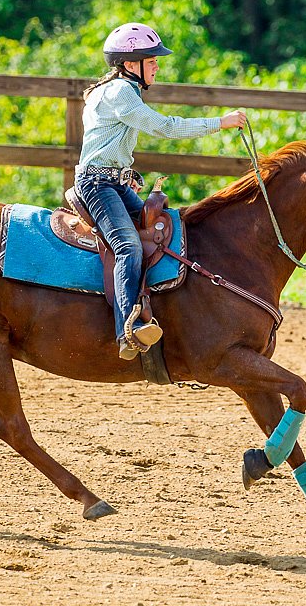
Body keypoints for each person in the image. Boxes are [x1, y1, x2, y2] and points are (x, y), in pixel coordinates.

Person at [74, 22, 247, 360]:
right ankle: (128, 331)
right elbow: (164, 127)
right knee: (127, 246)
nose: (157, 66)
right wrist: (220, 122)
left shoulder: (115, 90)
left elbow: (105, 144)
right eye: (151, 60)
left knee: (155, 235)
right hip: (98, 185)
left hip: (111, 181)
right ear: (129, 64)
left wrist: (126, 171)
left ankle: (152, 307)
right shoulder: (121, 91)